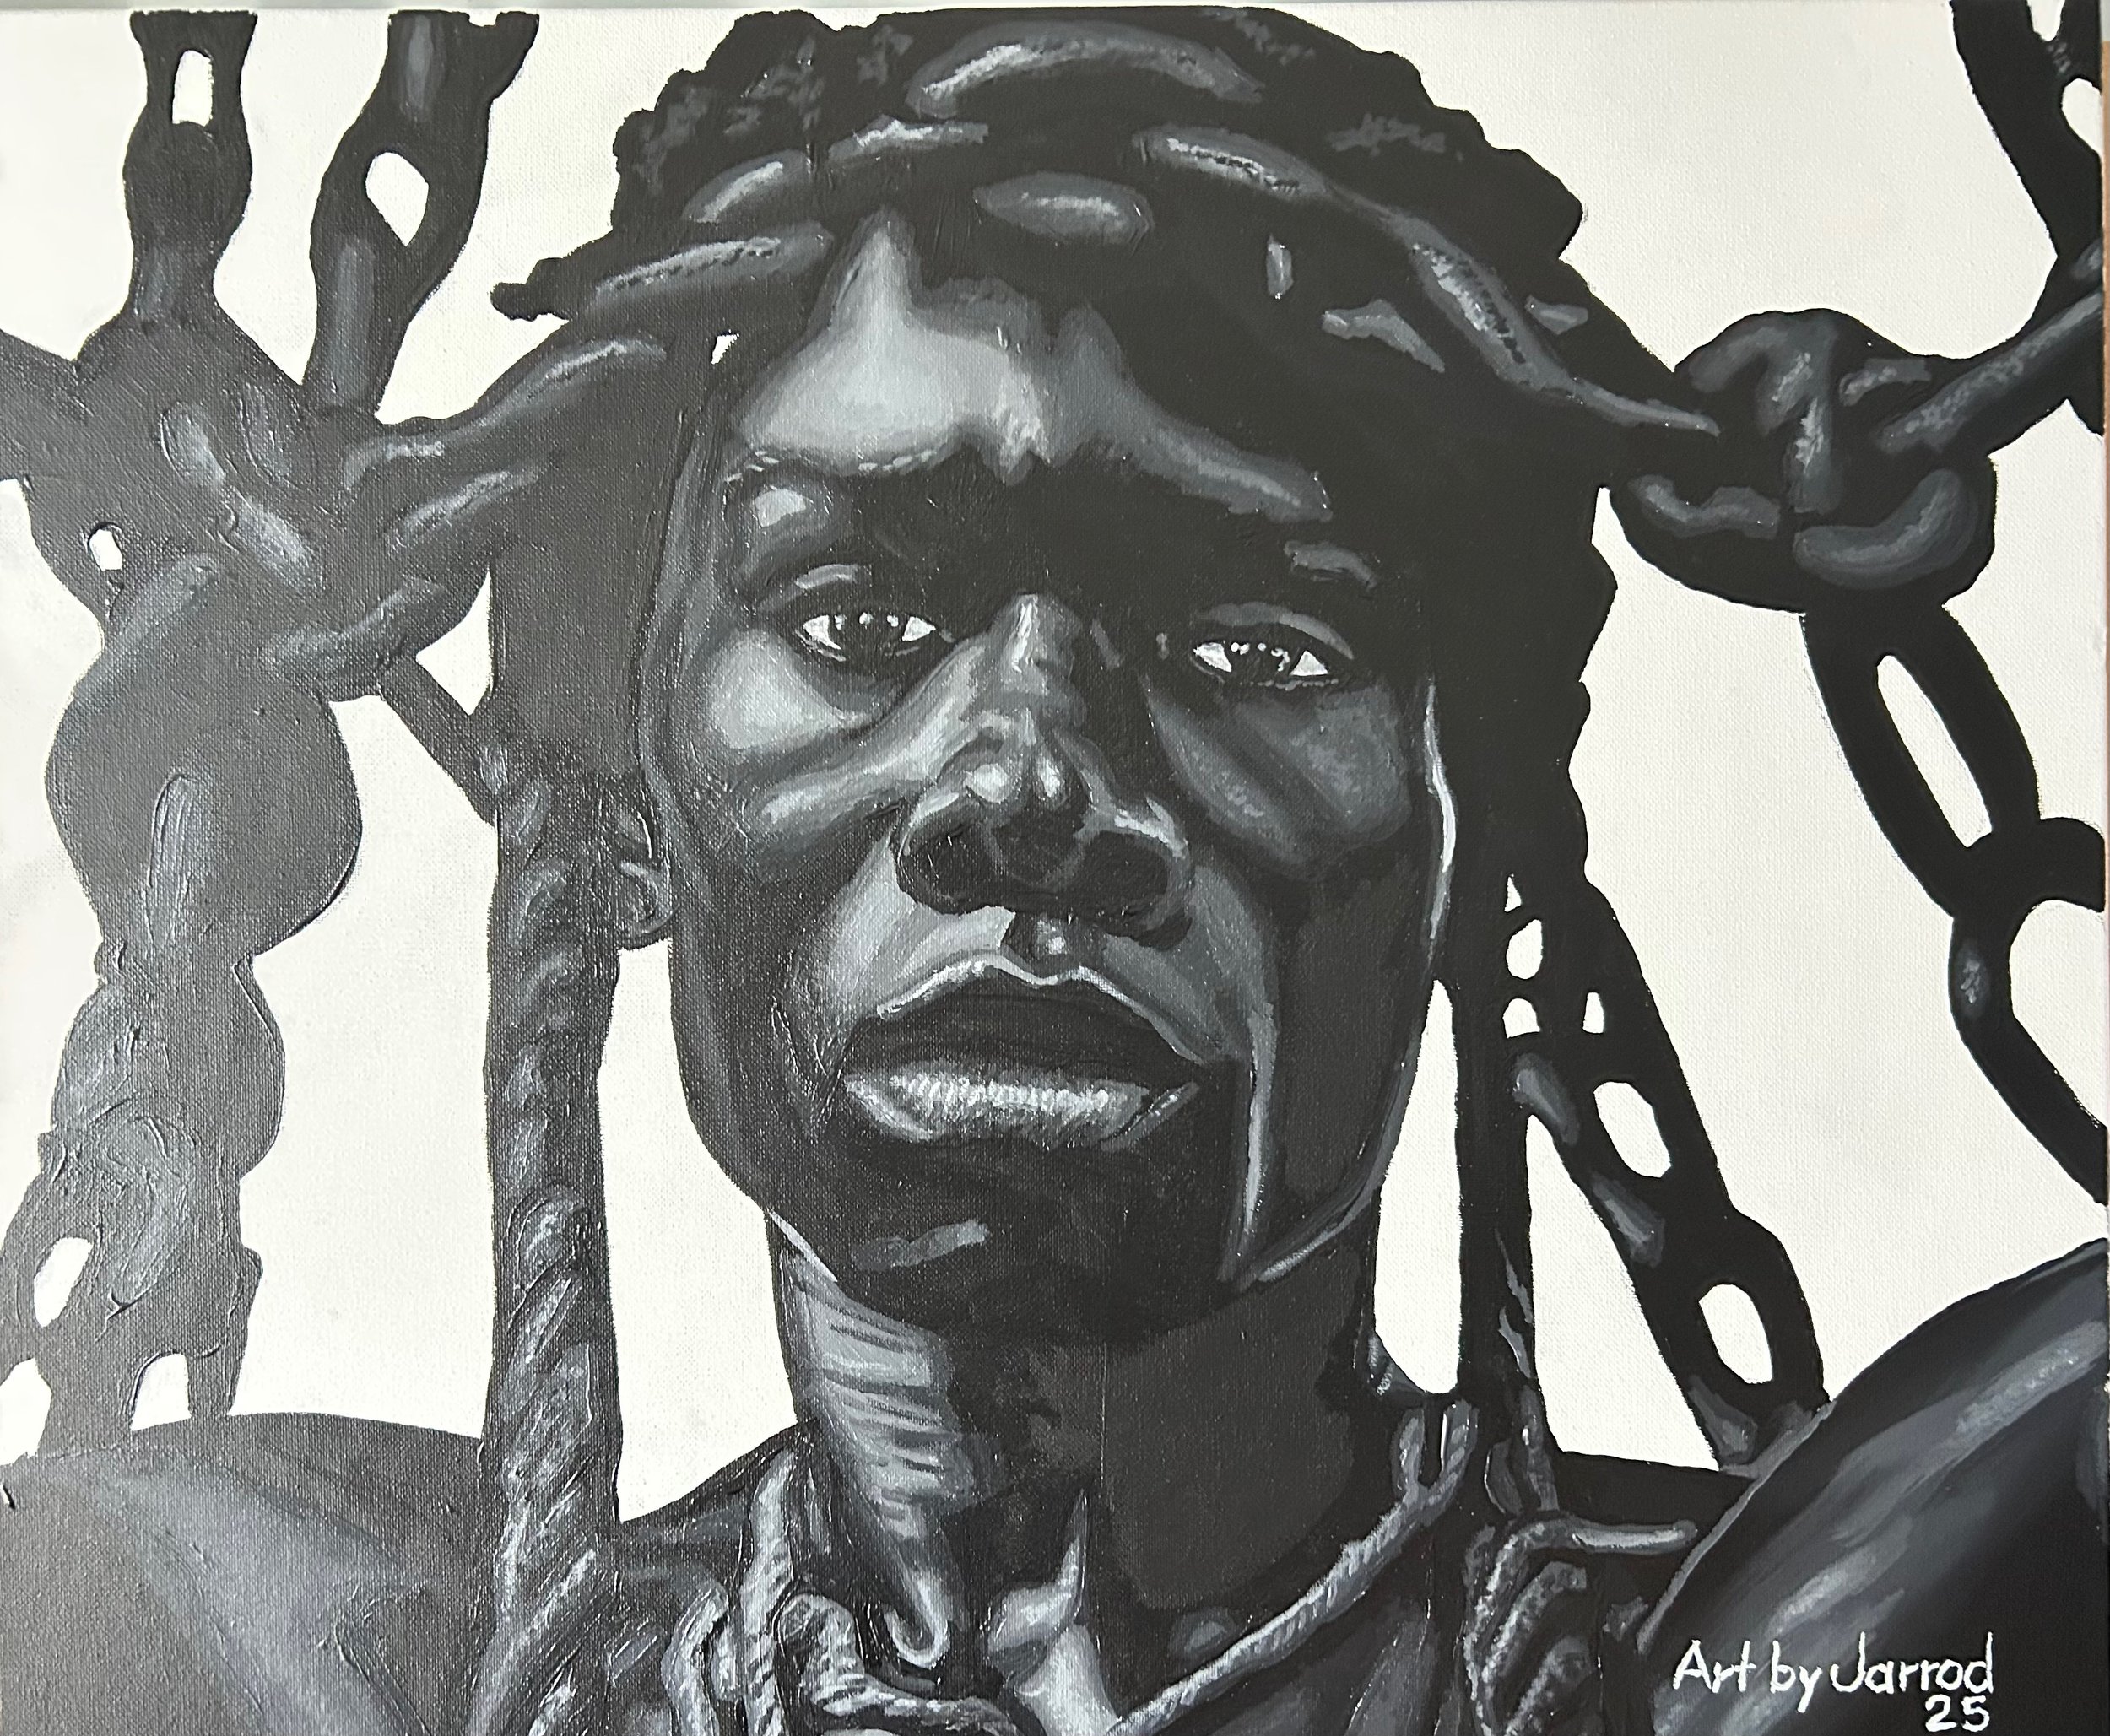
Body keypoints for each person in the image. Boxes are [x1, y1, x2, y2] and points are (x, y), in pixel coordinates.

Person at [0, 8, 2102, 1736]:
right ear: (622, 800)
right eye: (855, 620)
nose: (1026, 780)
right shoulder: (256, 1649)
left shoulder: (1865, 1650)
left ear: (1463, 842)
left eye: (1252, 651)